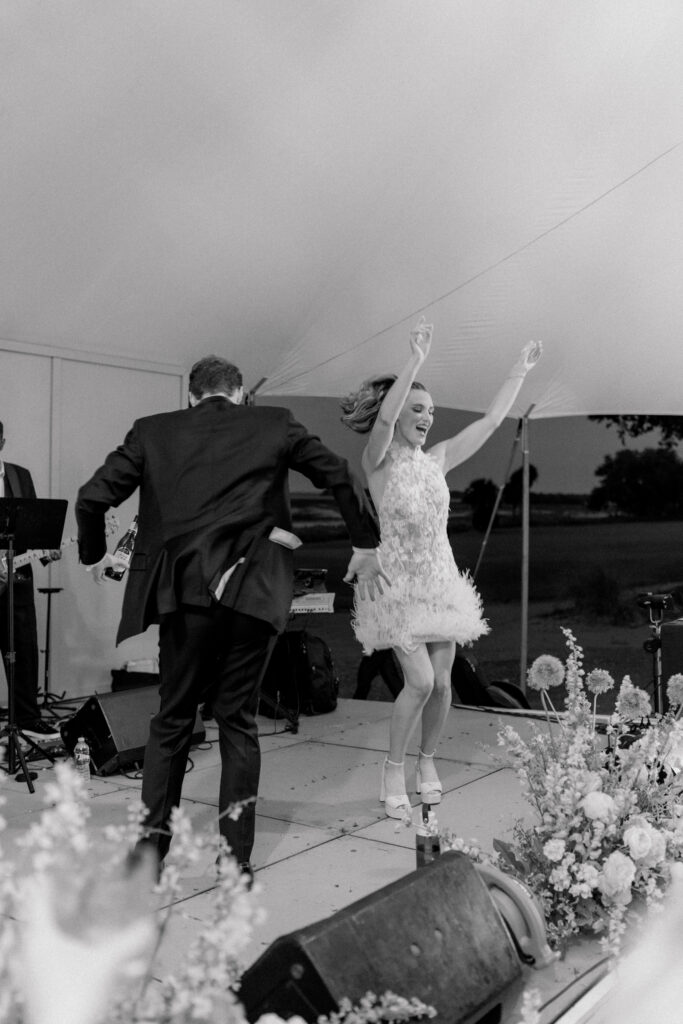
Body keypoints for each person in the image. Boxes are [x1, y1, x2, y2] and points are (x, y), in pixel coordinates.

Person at [76, 355, 388, 875]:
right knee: (237, 721)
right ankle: (234, 860)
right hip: (255, 594)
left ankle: (151, 852)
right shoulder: (274, 423)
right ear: (241, 392)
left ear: (191, 395)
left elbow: (92, 499)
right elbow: (341, 473)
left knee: (172, 719)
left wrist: (92, 555)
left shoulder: (153, 432)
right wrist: (364, 543)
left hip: (186, 597)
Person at [340, 321, 542, 819]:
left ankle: (426, 762)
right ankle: (393, 768)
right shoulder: (378, 461)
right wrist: (416, 361)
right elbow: (384, 422)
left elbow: (491, 423)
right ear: (399, 409)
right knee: (421, 681)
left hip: (440, 582)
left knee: (446, 684)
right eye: (417, 408)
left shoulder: (439, 459)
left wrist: (517, 373)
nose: (426, 418)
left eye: (431, 412)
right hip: (398, 588)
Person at [0, 421, 62, 745]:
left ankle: (27, 719)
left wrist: (45, 553)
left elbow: (35, 527)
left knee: (23, 649)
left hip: (18, 578)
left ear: (2, 441)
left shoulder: (19, 475)